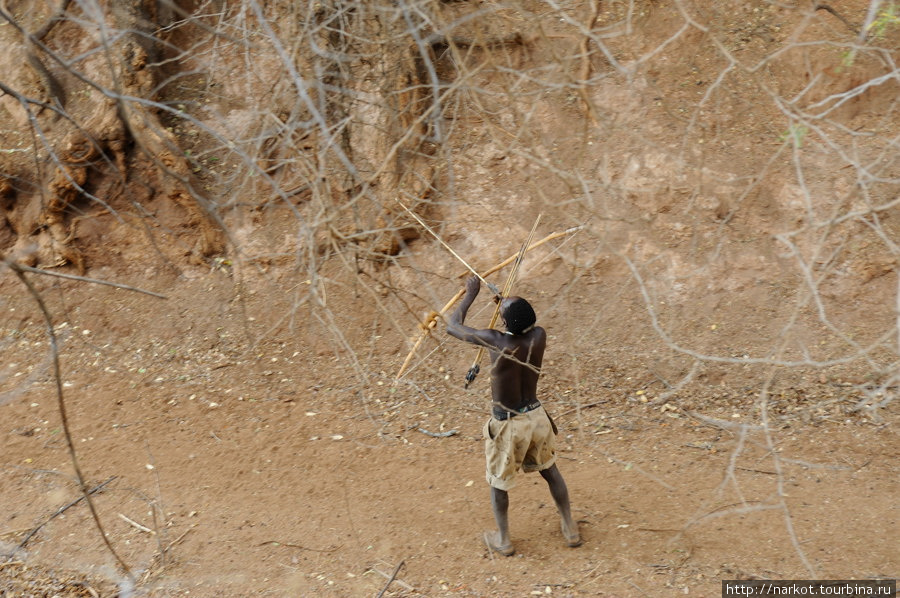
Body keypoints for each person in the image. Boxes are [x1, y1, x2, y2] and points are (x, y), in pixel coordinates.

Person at [446, 276, 581, 556]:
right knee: (550, 471)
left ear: (505, 324)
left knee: (498, 483)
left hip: (508, 425)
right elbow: (520, 323)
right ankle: (570, 527)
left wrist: (470, 294)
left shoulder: (497, 342)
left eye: (504, 309)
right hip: (536, 418)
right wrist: (505, 306)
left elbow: (453, 327)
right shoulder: (539, 334)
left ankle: (503, 540)